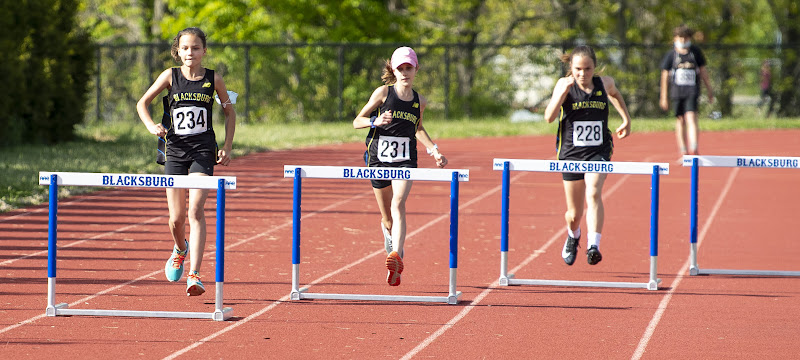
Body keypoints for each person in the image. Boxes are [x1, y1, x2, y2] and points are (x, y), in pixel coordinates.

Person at [136, 27, 236, 296]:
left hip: (203, 151)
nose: (190, 53)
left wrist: (227, 146)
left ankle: (195, 274)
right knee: (175, 219)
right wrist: (150, 126)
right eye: (185, 48)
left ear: (204, 51)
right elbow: (142, 103)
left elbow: (229, 113)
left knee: (195, 212)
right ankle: (180, 248)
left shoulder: (215, 80)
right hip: (175, 151)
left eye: (195, 48)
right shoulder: (170, 76)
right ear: (177, 52)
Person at [353, 46, 447, 286]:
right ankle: (389, 236)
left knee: (399, 202)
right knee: (387, 218)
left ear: (416, 69)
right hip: (378, 159)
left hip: (405, 160)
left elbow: (418, 128)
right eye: (400, 68)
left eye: (409, 68)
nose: (405, 72)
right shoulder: (383, 93)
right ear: (393, 70)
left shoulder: (419, 101)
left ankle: (397, 254)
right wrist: (375, 120)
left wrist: (434, 150)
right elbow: (357, 121)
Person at [543, 45, 632, 266]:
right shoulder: (564, 85)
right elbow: (549, 117)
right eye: (578, 69)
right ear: (571, 68)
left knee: (593, 192)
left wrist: (626, 119)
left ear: (595, 67)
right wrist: (562, 94)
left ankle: (594, 246)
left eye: (588, 69)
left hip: (598, 151)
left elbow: (615, 94)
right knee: (574, 213)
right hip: (571, 153)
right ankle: (573, 236)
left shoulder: (605, 83)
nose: (583, 74)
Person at [659, 24, 713, 156]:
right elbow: (665, 76)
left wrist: (709, 89)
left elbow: (703, 72)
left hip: (692, 90)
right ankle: (683, 150)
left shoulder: (695, 52)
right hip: (677, 91)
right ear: (675, 38)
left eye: (686, 38)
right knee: (680, 119)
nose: (683, 40)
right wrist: (663, 96)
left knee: (691, 117)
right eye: (680, 38)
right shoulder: (671, 55)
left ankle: (693, 147)